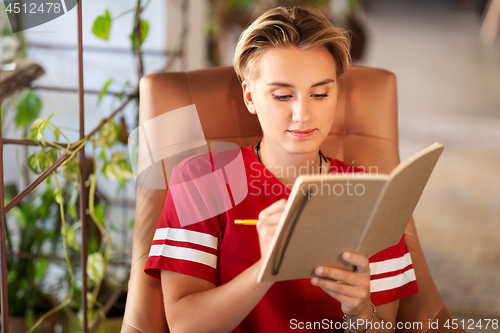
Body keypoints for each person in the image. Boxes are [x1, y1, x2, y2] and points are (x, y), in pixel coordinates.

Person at [144, 6, 418, 333]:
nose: (303, 114)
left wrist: (360, 312)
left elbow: (383, 326)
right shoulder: (204, 181)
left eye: (320, 93)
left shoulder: (371, 197)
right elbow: (185, 326)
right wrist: (267, 270)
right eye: (283, 95)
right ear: (250, 96)